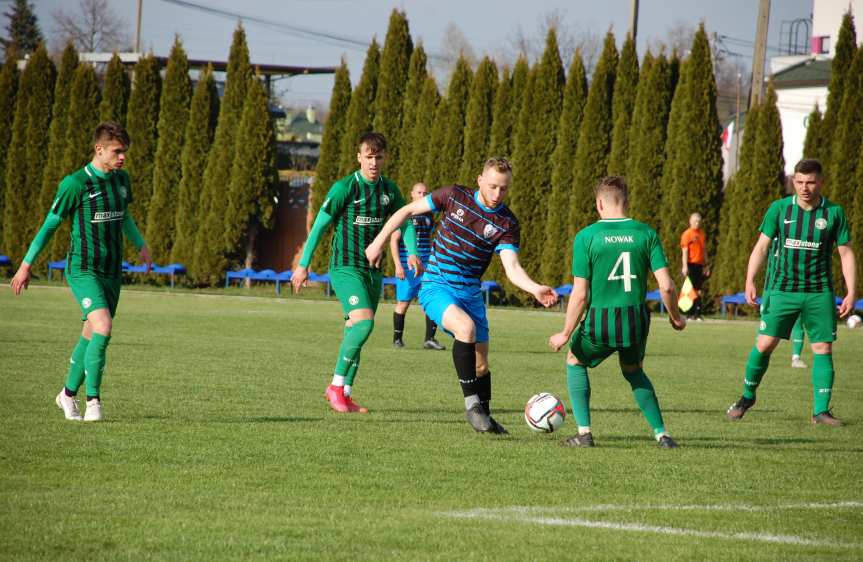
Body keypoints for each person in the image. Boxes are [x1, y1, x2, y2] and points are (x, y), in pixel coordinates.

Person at [365, 157, 558, 434]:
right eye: (492, 186)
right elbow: (407, 210)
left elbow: (512, 268)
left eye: (503, 189)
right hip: (436, 285)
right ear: (479, 180)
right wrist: (377, 242)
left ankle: (487, 418)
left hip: (470, 293)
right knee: (464, 329)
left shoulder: (506, 223)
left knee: (481, 364)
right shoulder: (454, 196)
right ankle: (472, 407)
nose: (496, 194)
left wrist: (534, 287)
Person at [10, 121, 151, 422]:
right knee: (103, 325)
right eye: (117, 151)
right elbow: (50, 225)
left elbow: (124, 215)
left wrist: (140, 244)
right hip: (83, 269)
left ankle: (67, 395)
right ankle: (94, 402)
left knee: (91, 334)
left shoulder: (121, 180)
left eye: (125, 151)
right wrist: (25, 265)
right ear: (99, 149)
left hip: (112, 271)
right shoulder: (75, 184)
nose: (123, 157)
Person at [548, 176, 686, 449]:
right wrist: (675, 316)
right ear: (626, 202)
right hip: (636, 320)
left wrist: (565, 332)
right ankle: (662, 435)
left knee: (575, 359)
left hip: (602, 320)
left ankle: (584, 434)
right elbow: (667, 286)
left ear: (599, 203)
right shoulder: (646, 233)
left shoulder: (587, 237)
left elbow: (580, 294)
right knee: (634, 370)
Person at [292, 132, 420, 414]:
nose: (374, 162)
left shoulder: (389, 190)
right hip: (345, 267)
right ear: (359, 157)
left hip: (373, 271)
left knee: (357, 330)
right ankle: (336, 387)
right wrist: (304, 264)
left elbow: (405, 222)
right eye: (369, 156)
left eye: (379, 157)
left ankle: (346, 394)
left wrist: (411, 251)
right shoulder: (345, 188)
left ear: (385, 158)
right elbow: (320, 226)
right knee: (364, 324)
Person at [726, 159, 856, 426]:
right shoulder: (779, 209)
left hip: (818, 291)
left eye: (810, 182)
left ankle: (821, 411)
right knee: (765, 344)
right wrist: (750, 279)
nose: (804, 187)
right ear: (793, 181)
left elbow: (846, 253)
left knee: (822, 347)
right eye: (799, 181)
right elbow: (761, 247)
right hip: (781, 289)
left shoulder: (834, 213)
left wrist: (852, 291)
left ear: (821, 182)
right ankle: (747, 396)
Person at [388, 182, 445, 350]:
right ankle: (397, 339)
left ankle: (430, 339)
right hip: (408, 267)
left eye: (425, 193)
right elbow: (394, 239)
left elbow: (428, 238)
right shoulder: (406, 214)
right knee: (403, 302)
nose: (422, 195)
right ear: (412, 194)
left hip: (426, 266)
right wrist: (398, 265)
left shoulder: (429, 215)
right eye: (419, 192)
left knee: (431, 301)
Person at [765, 235, 807, 368]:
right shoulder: (771, 240)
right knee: (765, 321)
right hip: (772, 288)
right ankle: (762, 354)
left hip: (795, 288)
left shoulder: (799, 238)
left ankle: (796, 358)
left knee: (798, 322)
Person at [680, 212, 709, 320]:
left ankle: (697, 313)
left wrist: (706, 265)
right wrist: (684, 266)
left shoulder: (701, 234)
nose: (697, 223)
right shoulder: (687, 234)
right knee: (689, 289)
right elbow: (685, 251)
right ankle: (689, 314)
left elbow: (704, 250)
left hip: (699, 265)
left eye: (699, 221)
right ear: (690, 221)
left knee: (698, 290)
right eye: (695, 221)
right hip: (690, 265)